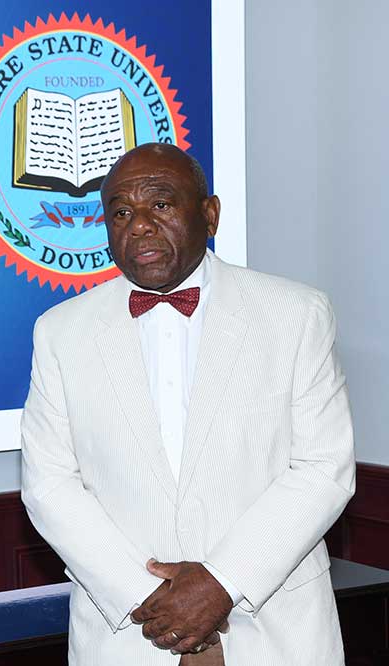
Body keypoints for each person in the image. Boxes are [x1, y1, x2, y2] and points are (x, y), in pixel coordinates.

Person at [20, 143, 355, 665]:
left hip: (274, 629)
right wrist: (146, 596)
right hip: (129, 635)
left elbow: (322, 470)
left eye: (161, 204)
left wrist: (221, 582)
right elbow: (49, 484)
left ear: (210, 213)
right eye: (122, 212)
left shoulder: (297, 314)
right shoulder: (61, 331)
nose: (140, 226)